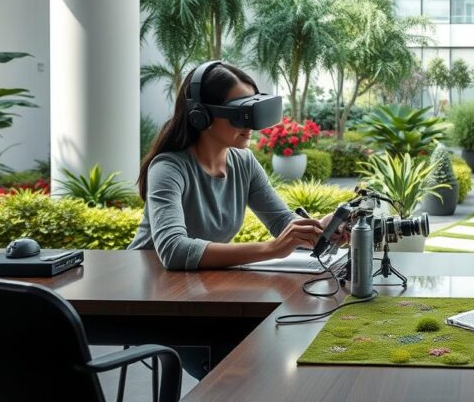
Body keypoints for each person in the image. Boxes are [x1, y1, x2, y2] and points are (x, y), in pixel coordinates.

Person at [129, 61, 346, 377]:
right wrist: (271, 249)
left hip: (202, 293)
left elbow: (283, 224)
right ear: (199, 115)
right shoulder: (168, 168)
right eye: (238, 112)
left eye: (252, 109)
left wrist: (322, 229)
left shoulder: (243, 162)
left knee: (279, 338)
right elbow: (173, 250)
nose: (249, 123)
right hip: (157, 301)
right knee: (246, 361)